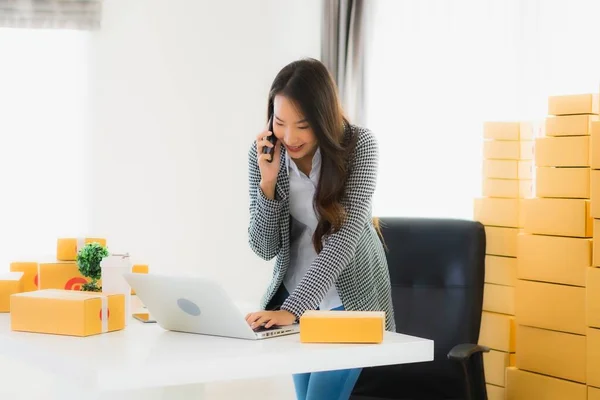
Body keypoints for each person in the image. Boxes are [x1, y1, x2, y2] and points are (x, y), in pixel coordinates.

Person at [245, 58, 395, 400]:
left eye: (303, 125)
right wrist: (267, 183)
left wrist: (293, 309)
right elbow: (263, 246)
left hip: (350, 298)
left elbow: (344, 239)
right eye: (280, 123)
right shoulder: (266, 155)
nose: (290, 137)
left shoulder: (360, 146)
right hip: (295, 294)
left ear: (324, 120)